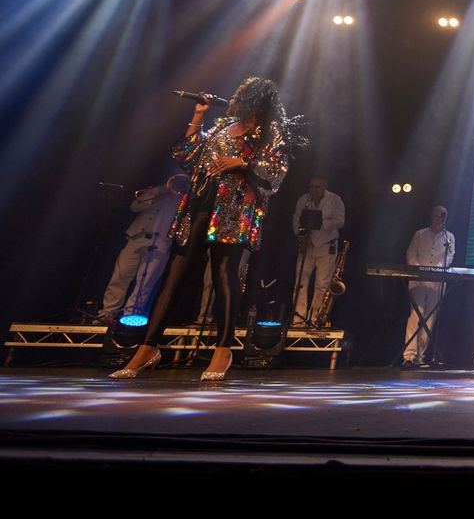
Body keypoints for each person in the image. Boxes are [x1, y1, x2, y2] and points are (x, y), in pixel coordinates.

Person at [109, 78, 294, 381]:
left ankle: (223, 349)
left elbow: (276, 170)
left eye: (243, 95)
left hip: (233, 208)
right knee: (176, 270)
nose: (236, 99)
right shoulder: (222, 127)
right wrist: (198, 116)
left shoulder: (267, 132)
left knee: (224, 272)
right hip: (201, 201)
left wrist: (243, 161)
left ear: (256, 101)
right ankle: (148, 347)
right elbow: (187, 156)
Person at [97, 174, 187, 321]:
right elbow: (135, 207)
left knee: (146, 282)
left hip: (160, 243)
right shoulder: (155, 192)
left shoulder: (182, 200)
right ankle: (108, 312)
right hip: (136, 237)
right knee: (121, 275)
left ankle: (131, 314)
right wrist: (158, 192)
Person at [402, 205, 455, 367]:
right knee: (416, 316)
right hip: (418, 280)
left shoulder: (449, 237)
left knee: (429, 319)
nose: (439, 219)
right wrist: (419, 269)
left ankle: (420, 357)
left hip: (436, 281)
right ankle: (408, 356)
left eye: (443, 217)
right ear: (432, 216)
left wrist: (435, 270)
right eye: (437, 216)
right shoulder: (420, 234)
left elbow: (449, 257)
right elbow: (410, 253)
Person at [291, 177, 346, 326]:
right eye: (311, 187)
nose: (313, 190)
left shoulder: (335, 200)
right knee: (300, 282)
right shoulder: (304, 200)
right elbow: (296, 218)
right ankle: (298, 319)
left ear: (324, 186)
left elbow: (340, 221)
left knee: (322, 284)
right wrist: (300, 233)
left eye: (317, 187)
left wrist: (321, 222)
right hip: (307, 244)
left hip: (326, 244)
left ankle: (315, 319)